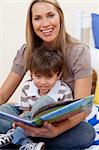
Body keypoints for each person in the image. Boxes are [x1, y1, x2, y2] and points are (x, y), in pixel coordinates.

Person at [0, 0, 95, 149]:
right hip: (28, 116)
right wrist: (25, 120)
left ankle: (18, 139)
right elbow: (3, 96)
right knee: (3, 111)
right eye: (37, 18)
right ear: (31, 23)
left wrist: (56, 131)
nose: (45, 24)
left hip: (61, 123)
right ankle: (27, 140)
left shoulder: (79, 52)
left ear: (60, 17)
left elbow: (82, 108)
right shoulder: (26, 51)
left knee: (86, 133)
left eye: (50, 15)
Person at [0, 46, 73, 150]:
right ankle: (24, 141)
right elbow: (25, 112)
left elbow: (66, 118)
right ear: (31, 74)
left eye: (48, 77)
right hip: (26, 124)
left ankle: (14, 136)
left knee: (45, 101)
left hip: (48, 127)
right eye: (38, 76)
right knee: (4, 109)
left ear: (58, 74)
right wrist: (21, 119)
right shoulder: (27, 87)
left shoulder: (64, 91)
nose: (43, 82)